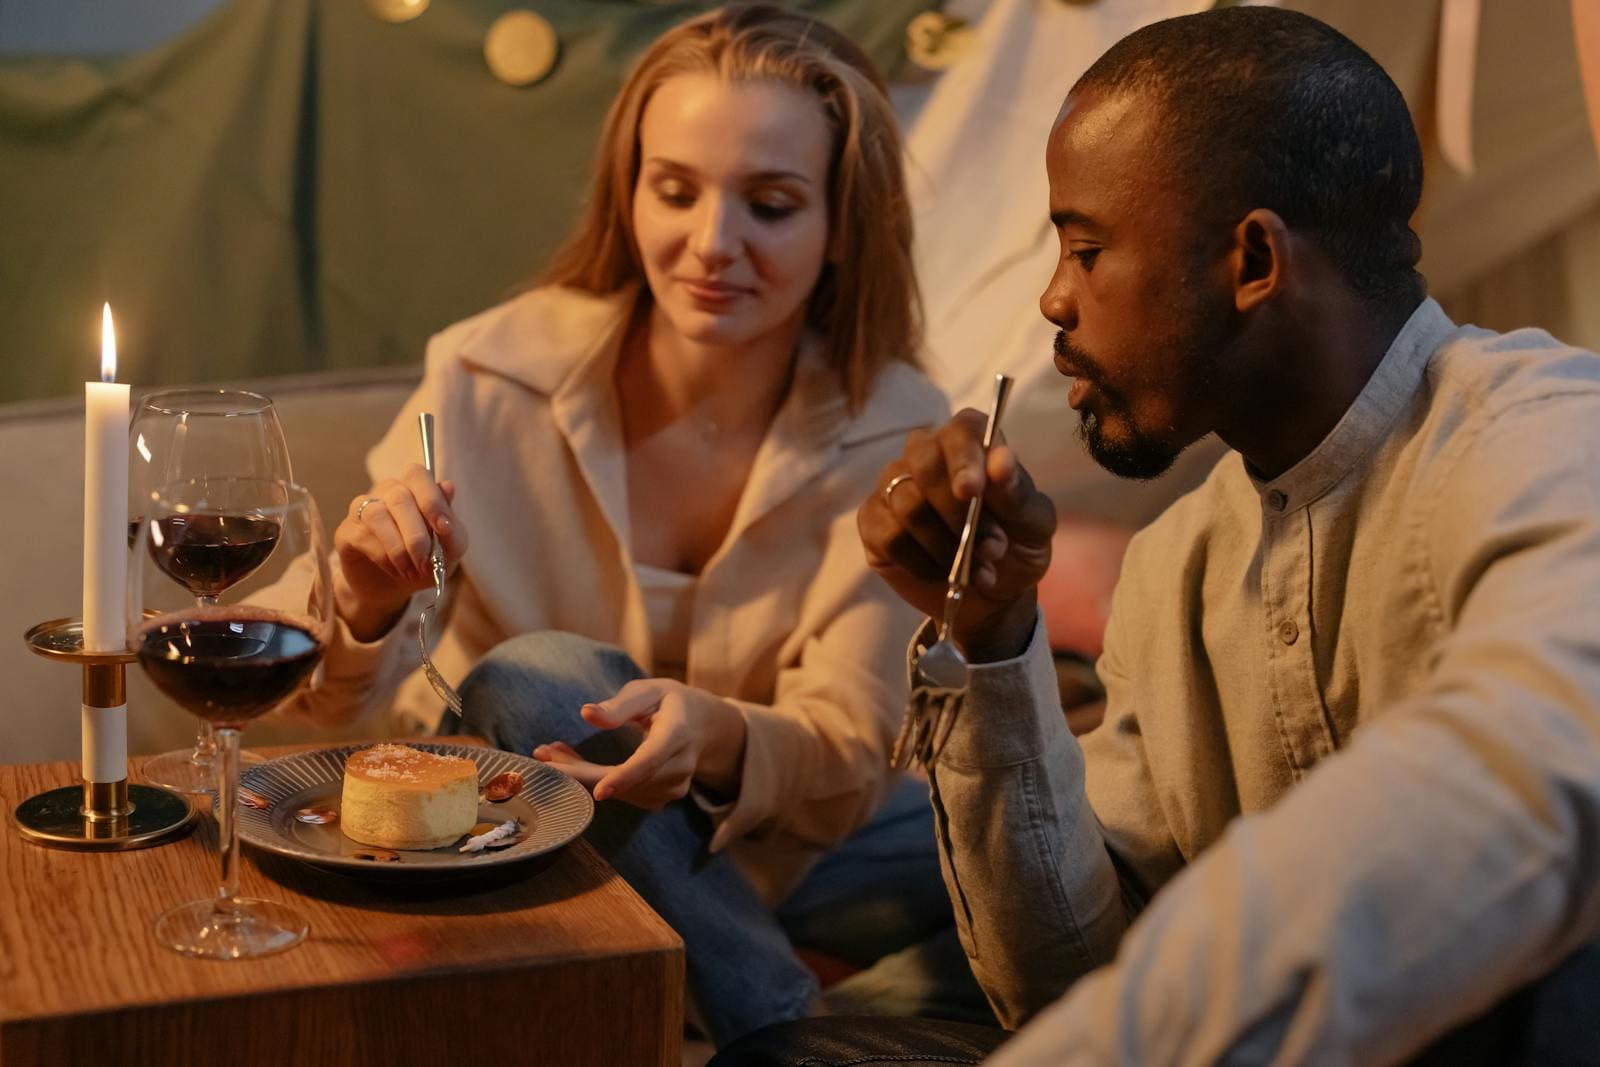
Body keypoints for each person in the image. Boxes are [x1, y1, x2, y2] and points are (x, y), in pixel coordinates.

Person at [714, 6, 1600, 1065]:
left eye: (1087, 249)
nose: (1052, 298)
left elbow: (1532, 768)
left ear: (1254, 260)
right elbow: (1056, 980)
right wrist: (994, 636)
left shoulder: (1540, 434)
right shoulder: (1181, 564)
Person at [287, 4, 970, 1047]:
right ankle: (783, 1022)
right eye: (675, 190)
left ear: (841, 228)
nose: (711, 244)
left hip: (775, 847)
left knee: (1023, 835)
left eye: (772, 204)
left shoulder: (899, 428)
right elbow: (318, 685)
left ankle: (758, 975)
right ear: (629, 189)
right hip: (517, 822)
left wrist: (720, 734)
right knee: (537, 675)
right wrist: (368, 605)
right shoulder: (483, 376)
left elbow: (846, 754)